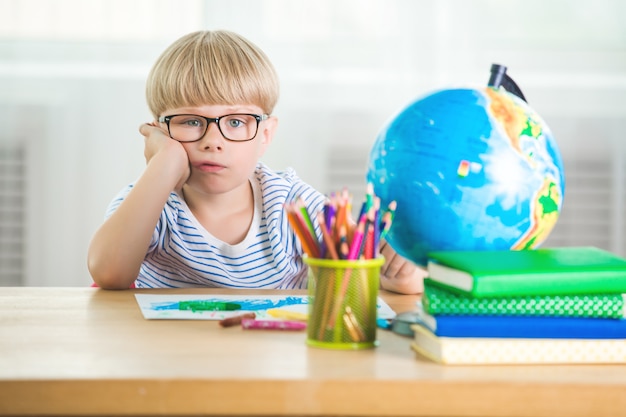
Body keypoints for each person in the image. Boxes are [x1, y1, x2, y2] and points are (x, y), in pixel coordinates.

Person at [87, 30, 424, 294]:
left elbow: (363, 276)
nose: (212, 141)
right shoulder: (150, 202)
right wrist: (164, 165)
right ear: (160, 133)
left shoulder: (290, 203)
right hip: (171, 370)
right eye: (190, 121)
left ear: (265, 134)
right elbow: (109, 273)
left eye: (235, 122)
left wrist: (401, 277)